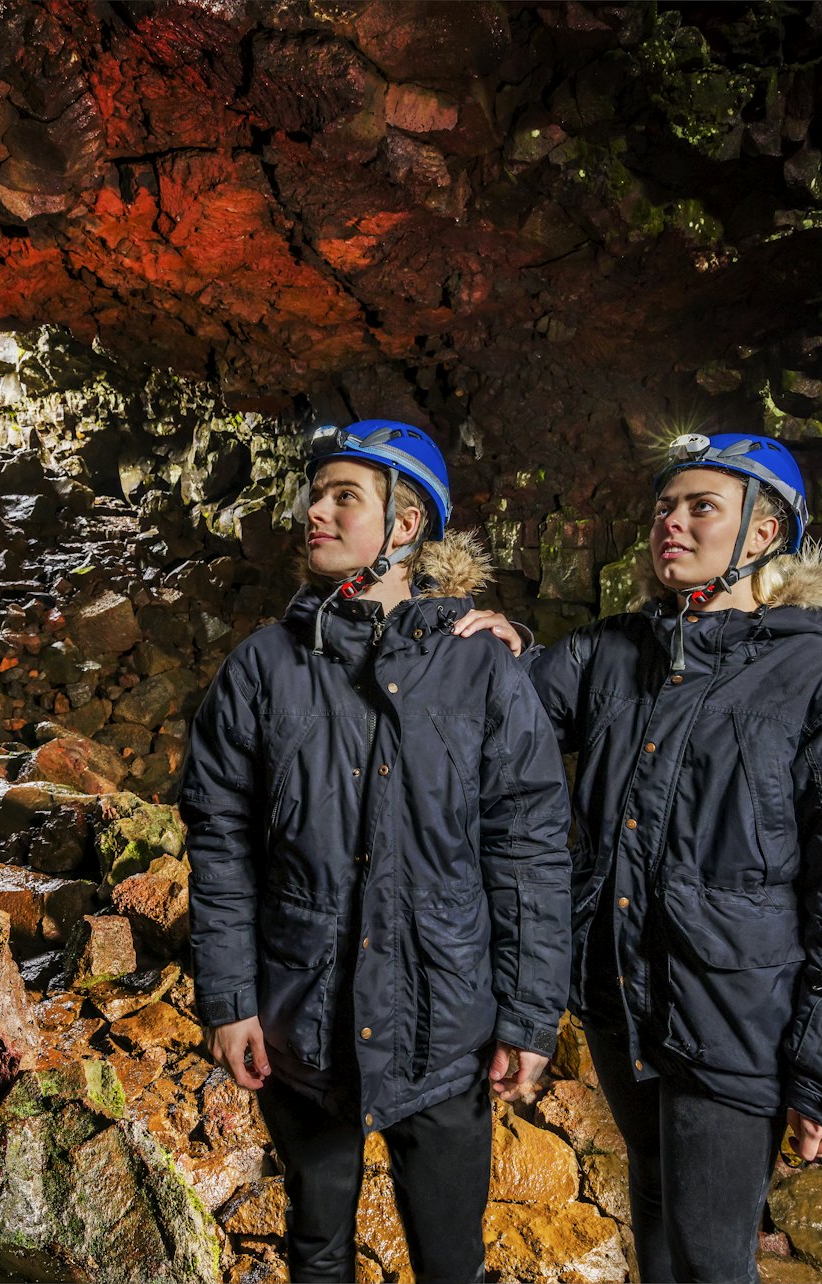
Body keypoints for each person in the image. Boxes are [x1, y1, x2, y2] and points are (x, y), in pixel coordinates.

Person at [458, 431, 822, 1284]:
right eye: (663, 509)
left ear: (760, 533)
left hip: (733, 1022)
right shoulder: (616, 651)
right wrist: (502, 639)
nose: (670, 524)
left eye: (700, 507)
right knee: (655, 1209)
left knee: (714, 1256)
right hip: (619, 997)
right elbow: (494, 719)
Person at [181, 420, 572, 1284]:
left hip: (446, 1029)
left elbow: (530, 852)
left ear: (403, 527)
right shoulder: (262, 669)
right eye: (315, 494)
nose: (315, 511)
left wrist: (529, 1016)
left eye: (343, 497)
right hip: (303, 1028)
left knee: (449, 1260)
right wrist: (230, 999)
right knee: (316, 1248)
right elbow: (221, 846)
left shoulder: (483, 672)